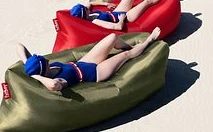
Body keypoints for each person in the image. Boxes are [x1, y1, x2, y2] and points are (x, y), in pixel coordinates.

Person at [16, 27, 162, 91]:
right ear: (43, 72)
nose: (48, 61)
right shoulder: (59, 80)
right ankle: (149, 41)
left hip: (84, 62)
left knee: (112, 37)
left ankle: (131, 47)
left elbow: (19, 46)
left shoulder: (41, 68)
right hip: (96, 73)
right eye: (46, 63)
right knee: (125, 56)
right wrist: (35, 76)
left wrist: (27, 63)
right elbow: (54, 86)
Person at [69, 0, 174, 31]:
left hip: (117, 11)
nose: (87, 8)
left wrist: (105, 4)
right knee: (147, 2)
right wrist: (121, 20)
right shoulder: (95, 21)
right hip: (126, 17)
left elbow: (90, 3)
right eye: (85, 9)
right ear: (85, 14)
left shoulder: (89, 13)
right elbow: (117, 27)